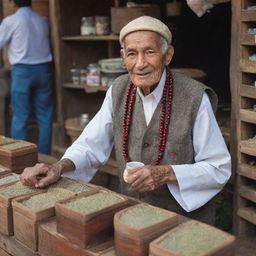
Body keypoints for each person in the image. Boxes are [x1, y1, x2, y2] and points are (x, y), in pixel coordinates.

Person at [20, 16, 231, 224]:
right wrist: (58, 167)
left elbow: (218, 167)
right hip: (133, 215)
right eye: (132, 54)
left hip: (184, 220)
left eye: (150, 52)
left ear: (167, 55)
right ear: (123, 57)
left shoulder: (194, 97)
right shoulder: (119, 90)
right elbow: (90, 145)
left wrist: (165, 173)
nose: (140, 63)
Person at [0, 0, 53, 154]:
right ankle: (44, 156)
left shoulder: (10, 21)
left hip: (22, 72)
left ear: (12, 3)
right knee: (45, 116)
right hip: (43, 70)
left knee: (20, 116)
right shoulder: (42, 20)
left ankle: (19, 157)